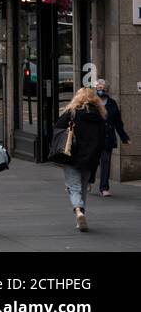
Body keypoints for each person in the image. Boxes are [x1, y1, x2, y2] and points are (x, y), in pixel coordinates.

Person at [54, 87, 106, 231]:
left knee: (74, 187)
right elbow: (102, 141)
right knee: (83, 188)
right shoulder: (99, 116)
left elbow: (58, 129)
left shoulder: (71, 113)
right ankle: (80, 217)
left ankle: (78, 211)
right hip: (90, 159)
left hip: (71, 155)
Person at [95, 80, 129, 196]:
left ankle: (104, 188)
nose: (101, 90)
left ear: (107, 89)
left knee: (106, 162)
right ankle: (88, 181)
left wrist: (124, 137)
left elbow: (118, 123)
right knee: (91, 162)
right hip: (93, 138)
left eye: (103, 88)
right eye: (99, 87)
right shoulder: (92, 103)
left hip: (107, 138)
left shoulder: (112, 103)